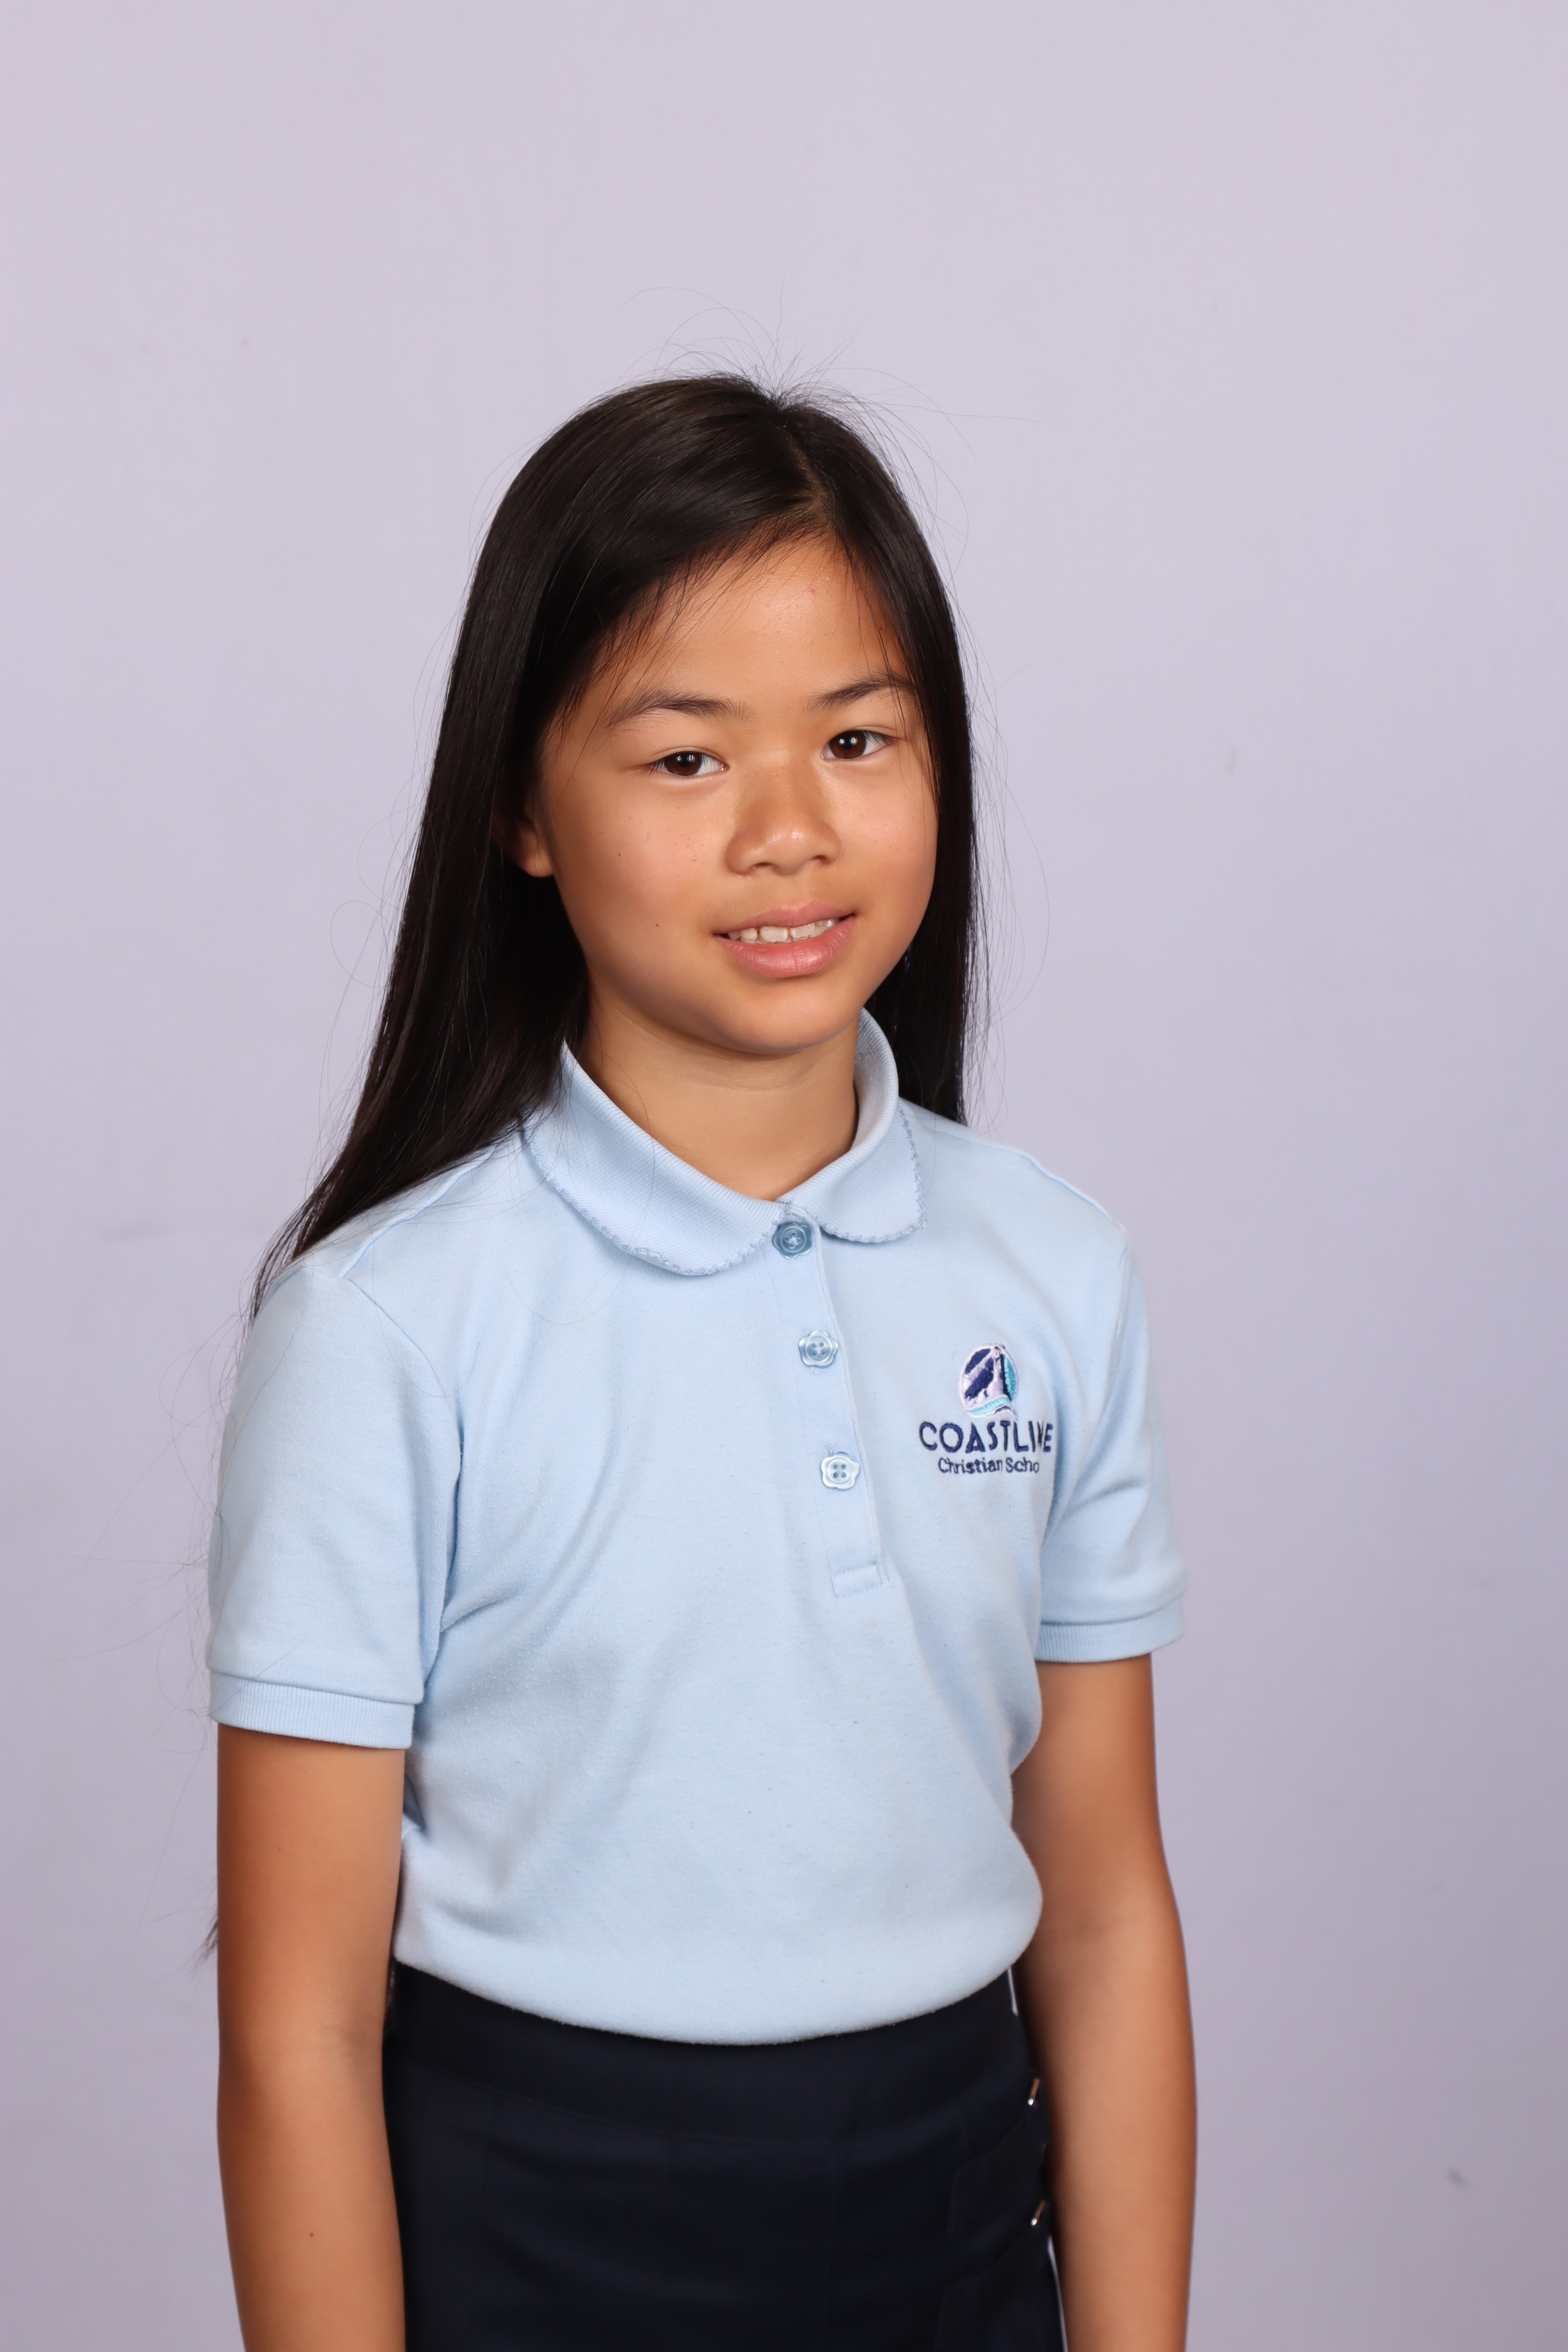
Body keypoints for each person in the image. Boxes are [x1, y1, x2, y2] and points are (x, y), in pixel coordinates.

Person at [209, 374, 1195, 2352]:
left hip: (948, 2214)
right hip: (539, 2239)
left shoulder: (1051, 1271)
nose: (788, 831)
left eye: (857, 738)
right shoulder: (387, 1327)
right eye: (683, 758)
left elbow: (1100, 1914)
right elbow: (297, 2026)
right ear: (521, 810)